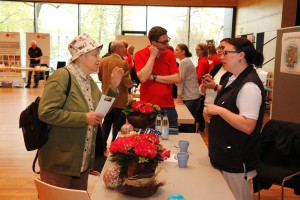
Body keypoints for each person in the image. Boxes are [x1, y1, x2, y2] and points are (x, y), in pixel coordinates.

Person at [38, 33, 124, 190]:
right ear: (81, 56)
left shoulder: (88, 80)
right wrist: (83, 118)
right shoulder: (61, 77)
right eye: (95, 54)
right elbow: (46, 112)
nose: (99, 59)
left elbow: (100, 112)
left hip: (81, 162)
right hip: (59, 163)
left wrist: (112, 87)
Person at [203, 37, 265, 200]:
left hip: (236, 159)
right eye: (220, 51)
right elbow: (231, 106)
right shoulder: (230, 78)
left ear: (241, 55)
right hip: (223, 154)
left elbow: (247, 125)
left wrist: (219, 110)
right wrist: (211, 114)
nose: (221, 56)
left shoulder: (249, 85)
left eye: (225, 52)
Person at [134, 26, 180, 129]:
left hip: (168, 107)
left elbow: (176, 79)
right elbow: (143, 78)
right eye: (163, 42)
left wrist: (154, 77)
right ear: (154, 43)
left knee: (172, 140)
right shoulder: (140, 54)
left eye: (167, 40)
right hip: (147, 108)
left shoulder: (169, 54)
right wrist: (152, 56)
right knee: (148, 142)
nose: (167, 44)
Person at [98, 40, 132, 151]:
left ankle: (102, 146)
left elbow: (100, 77)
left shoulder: (103, 60)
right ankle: (115, 149)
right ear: (117, 49)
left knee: (106, 123)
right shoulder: (123, 63)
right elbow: (128, 83)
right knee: (118, 126)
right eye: (123, 48)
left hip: (106, 97)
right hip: (120, 99)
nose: (125, 50)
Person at [174, 43, 200, 132]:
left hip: (190, 95)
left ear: (183, 52)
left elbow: (180, 80)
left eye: (177, 50)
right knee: (189, 122)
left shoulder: (184, 62)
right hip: (191, 94)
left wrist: (179, 96)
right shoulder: (186, 61)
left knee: (187, 121)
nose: (174, 51)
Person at [199, 38, 230, 107]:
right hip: (206, 106)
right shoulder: (218, 67)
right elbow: (202, 91)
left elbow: (232, 91)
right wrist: (204, 84)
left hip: (219, 110)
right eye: (219, 48)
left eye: (222, 48)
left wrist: (215, 86)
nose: (219, 50)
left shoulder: (234, 70)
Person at [194, 43, 210, 133]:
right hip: (199, 87)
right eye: (195, 49)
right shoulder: (200, 60)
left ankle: (200, 128)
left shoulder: (203, 61)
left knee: (199, 109)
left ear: (202, 50)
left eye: (198, 49)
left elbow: (199, 76)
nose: (196, 51)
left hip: (201, 88)